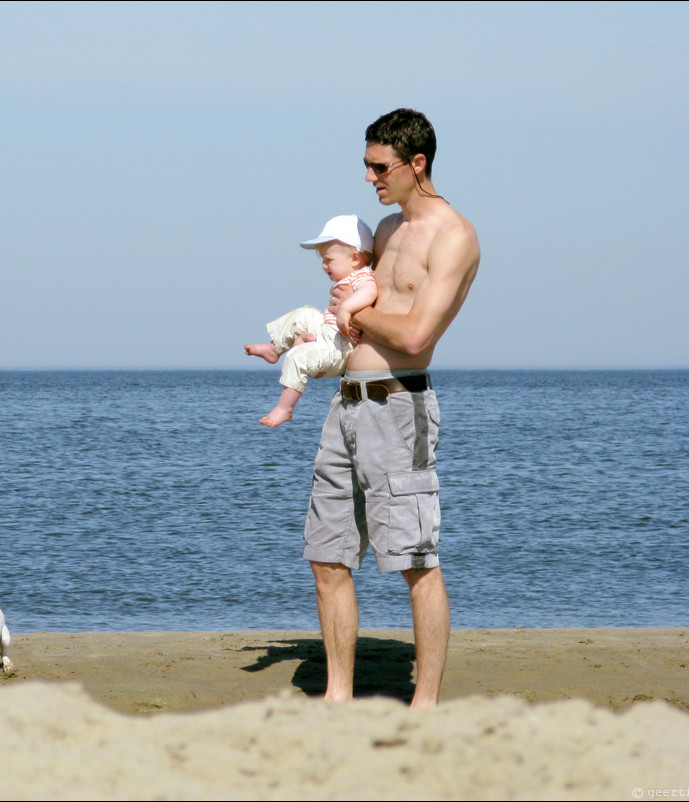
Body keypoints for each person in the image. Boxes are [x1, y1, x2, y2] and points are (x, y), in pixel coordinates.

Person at [305, 108, 480, 707]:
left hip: (399, 407)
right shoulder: (384, 230)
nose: (370, 177)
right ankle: (337, 699)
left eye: (380, 167)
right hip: (345, 406)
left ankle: (425, 707)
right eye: (367, 165)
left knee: (414, 559)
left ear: (417, 163)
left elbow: (412, 336)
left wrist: (354, 316)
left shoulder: (453, 236)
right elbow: (358, 309)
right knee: (327, 556)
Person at [244, 215, 378, 427]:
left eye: (329, 260)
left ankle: (285, 408)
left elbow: (370, 292)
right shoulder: (349, 277)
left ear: (354, 258)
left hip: (342, 347)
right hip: (330, 334)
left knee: (298, 356)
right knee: (303, 314)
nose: (324, 266)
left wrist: (346, 308)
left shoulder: (362, 276)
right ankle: (274, 348)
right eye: (323, 260)